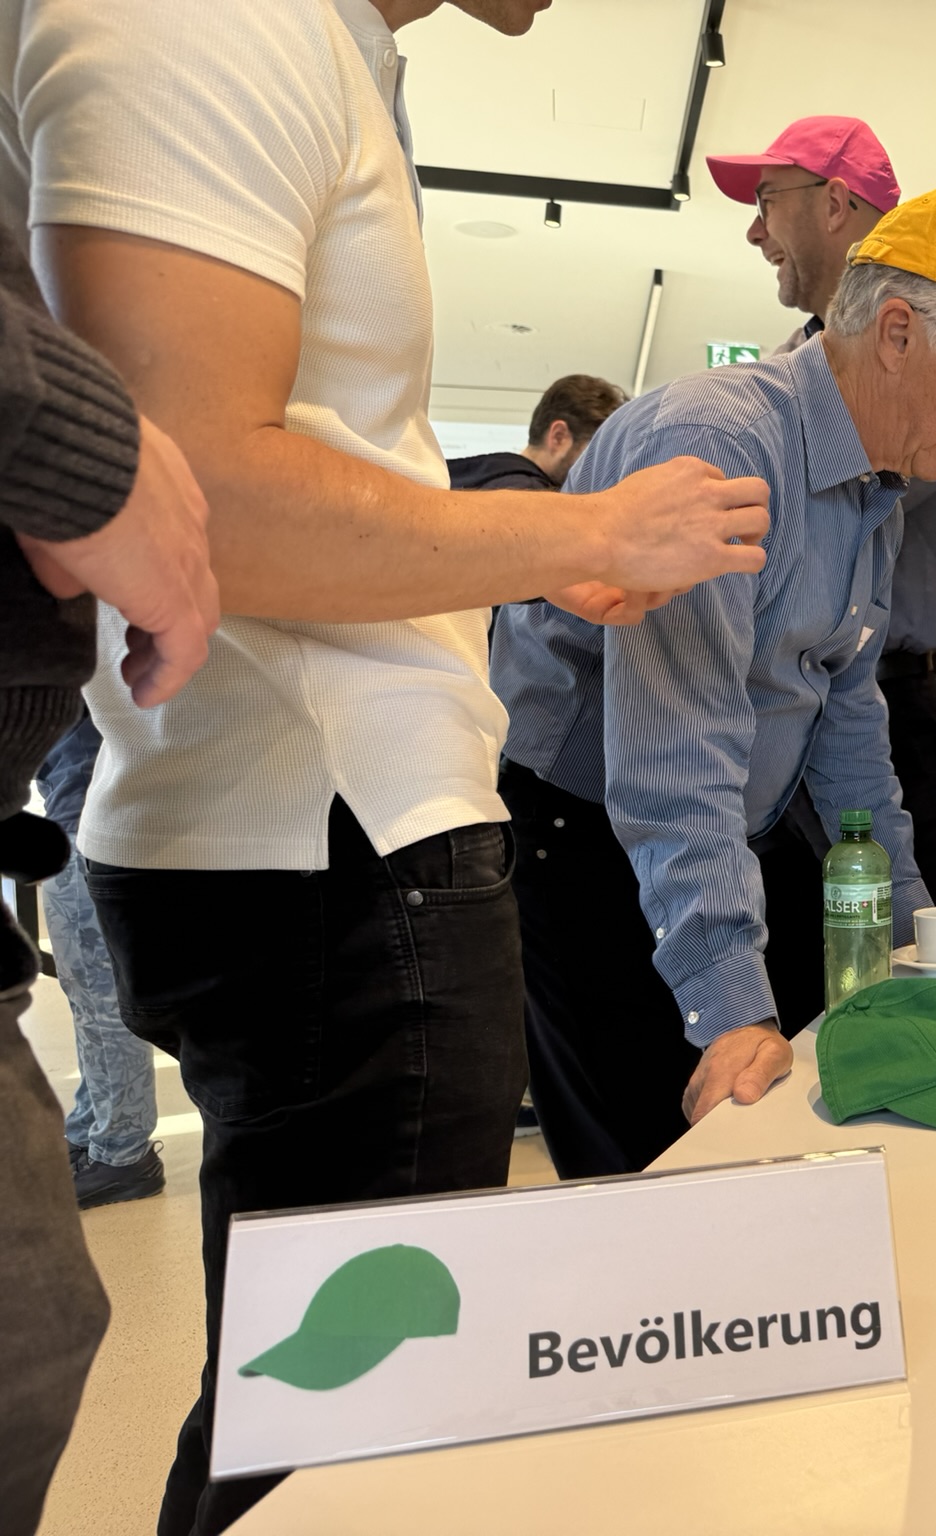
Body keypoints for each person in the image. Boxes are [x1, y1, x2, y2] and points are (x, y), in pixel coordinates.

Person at [0, 3, 771, 1529]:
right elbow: (195, 484)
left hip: (313, 832)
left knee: (311, 1413)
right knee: (343, 1445)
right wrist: (576, 529)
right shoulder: (223, 16)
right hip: (333, 843)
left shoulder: (318, 41)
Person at [494, 185, 936, 1178]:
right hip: (596, 838)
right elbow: (674, 756)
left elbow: (847, 718)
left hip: (717, 829)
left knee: (772, 1137)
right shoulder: (720, 446)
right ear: (896, 333)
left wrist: (911, 939)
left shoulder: (875, 487)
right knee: (658, 1167)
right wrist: (727, 1005)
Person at [0, 218, 215, 1536]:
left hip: (78, 792)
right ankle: (116, 1134)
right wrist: (89, 443)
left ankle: (117, 1137)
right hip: (85, 794)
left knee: (39, 1334)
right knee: (34, 1337)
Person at [710, 117, 936, 907]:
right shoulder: (776, 383)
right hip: (783, 704)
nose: (755, 230)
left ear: (835, 203)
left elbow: (833, 496)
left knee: (892, 942)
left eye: (768, 200)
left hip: (882, 703)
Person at [36, 715, 163, 1208]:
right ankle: (91, 1130)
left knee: (103, 1006)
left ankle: (122, 1154)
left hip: (87, 830)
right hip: (80, 825)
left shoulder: (73, 666)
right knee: (89, 1002)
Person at [446, 372, 627, 492]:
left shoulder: (476, 477)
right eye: (596, 455)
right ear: (559, 437)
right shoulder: (529, 497)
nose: (602, 472)